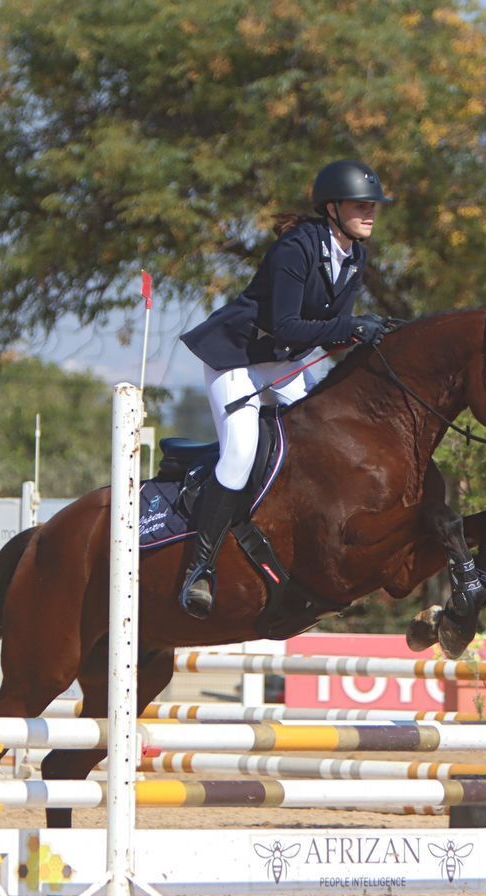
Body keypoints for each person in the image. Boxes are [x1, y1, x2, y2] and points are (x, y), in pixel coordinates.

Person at [176, 159, 395, 617]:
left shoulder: (355, 255)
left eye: (373, 205)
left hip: (285, 363)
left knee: (329, 443)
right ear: (332, 208)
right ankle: (199, 570)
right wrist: (349, 327)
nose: (371, 213)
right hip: (238, 360)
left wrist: (364, 332)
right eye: (361, 205)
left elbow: (328, 329)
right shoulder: (296, 249)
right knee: (239, 453)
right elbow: (288, 324)